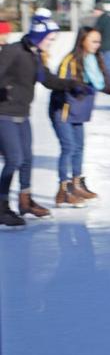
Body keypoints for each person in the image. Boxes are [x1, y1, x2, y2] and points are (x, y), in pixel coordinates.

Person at [0, 17, 86, 225]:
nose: (52, 42)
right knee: (14, 160)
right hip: (4, 113)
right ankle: (1, 207)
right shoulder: (13, 50)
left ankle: (25, 201)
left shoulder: (36, 55)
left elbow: (48, 80)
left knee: (27, 159)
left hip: (23, 113)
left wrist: (72, 84)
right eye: (50, 38)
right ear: (40, 35)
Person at [50, 27, 110, 207]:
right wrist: (74, 88)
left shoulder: (94, 59)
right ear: (82, 40)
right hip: (64, 109)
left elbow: (101, 84)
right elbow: (59, 83)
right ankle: (63, 189)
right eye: (93, 41)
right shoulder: (70, 60)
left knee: (79, 147)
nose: (97, 45)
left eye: (98, 42)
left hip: (80, 111)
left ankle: (77, 184)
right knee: (68, 148)